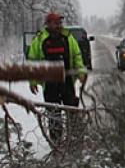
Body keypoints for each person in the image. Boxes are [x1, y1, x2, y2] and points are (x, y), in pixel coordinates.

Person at [26, 12, 87, 142]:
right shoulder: (40, 39)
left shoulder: (68, 38)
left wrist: (81, 72)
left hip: (67, 81)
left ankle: (75, 139)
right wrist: (33, 81)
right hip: (50, 83)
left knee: (72, 110)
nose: (59, 25)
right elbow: (32, 61)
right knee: (54, 114)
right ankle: (57, 143)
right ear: (48, 24)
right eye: (56, 22)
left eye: (60, 22)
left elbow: (77, 56)